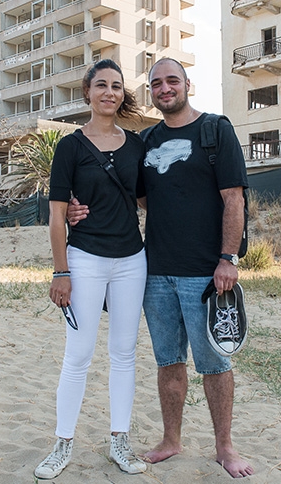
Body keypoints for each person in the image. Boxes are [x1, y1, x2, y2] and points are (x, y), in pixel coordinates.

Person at [69, 58, 255, 478]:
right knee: (168, 361)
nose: (165, 88)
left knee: (214, 364)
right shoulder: (145, 141)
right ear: (151, 91)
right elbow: (125, 192)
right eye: (157, 83)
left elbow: (234, 200)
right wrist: (79, 209)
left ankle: (224, 447)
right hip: (154, 272)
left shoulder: (216, 131)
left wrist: (227, 259)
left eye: (173, 80)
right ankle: (172, 439)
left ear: (188, 84)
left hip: (206, 273)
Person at [35, 59, 148, 480]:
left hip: (131, 261)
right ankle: (62, 444)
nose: (109, 93)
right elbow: (57, 216)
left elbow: (142, 199)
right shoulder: (71, 147)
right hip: (84, 259)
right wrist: (60, 272)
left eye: (116, 86)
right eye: (101, 85)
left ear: (122, 94)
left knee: (124, 355)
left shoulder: (137, 144)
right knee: (78, 355)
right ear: (88, 91)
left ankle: (119, 440)